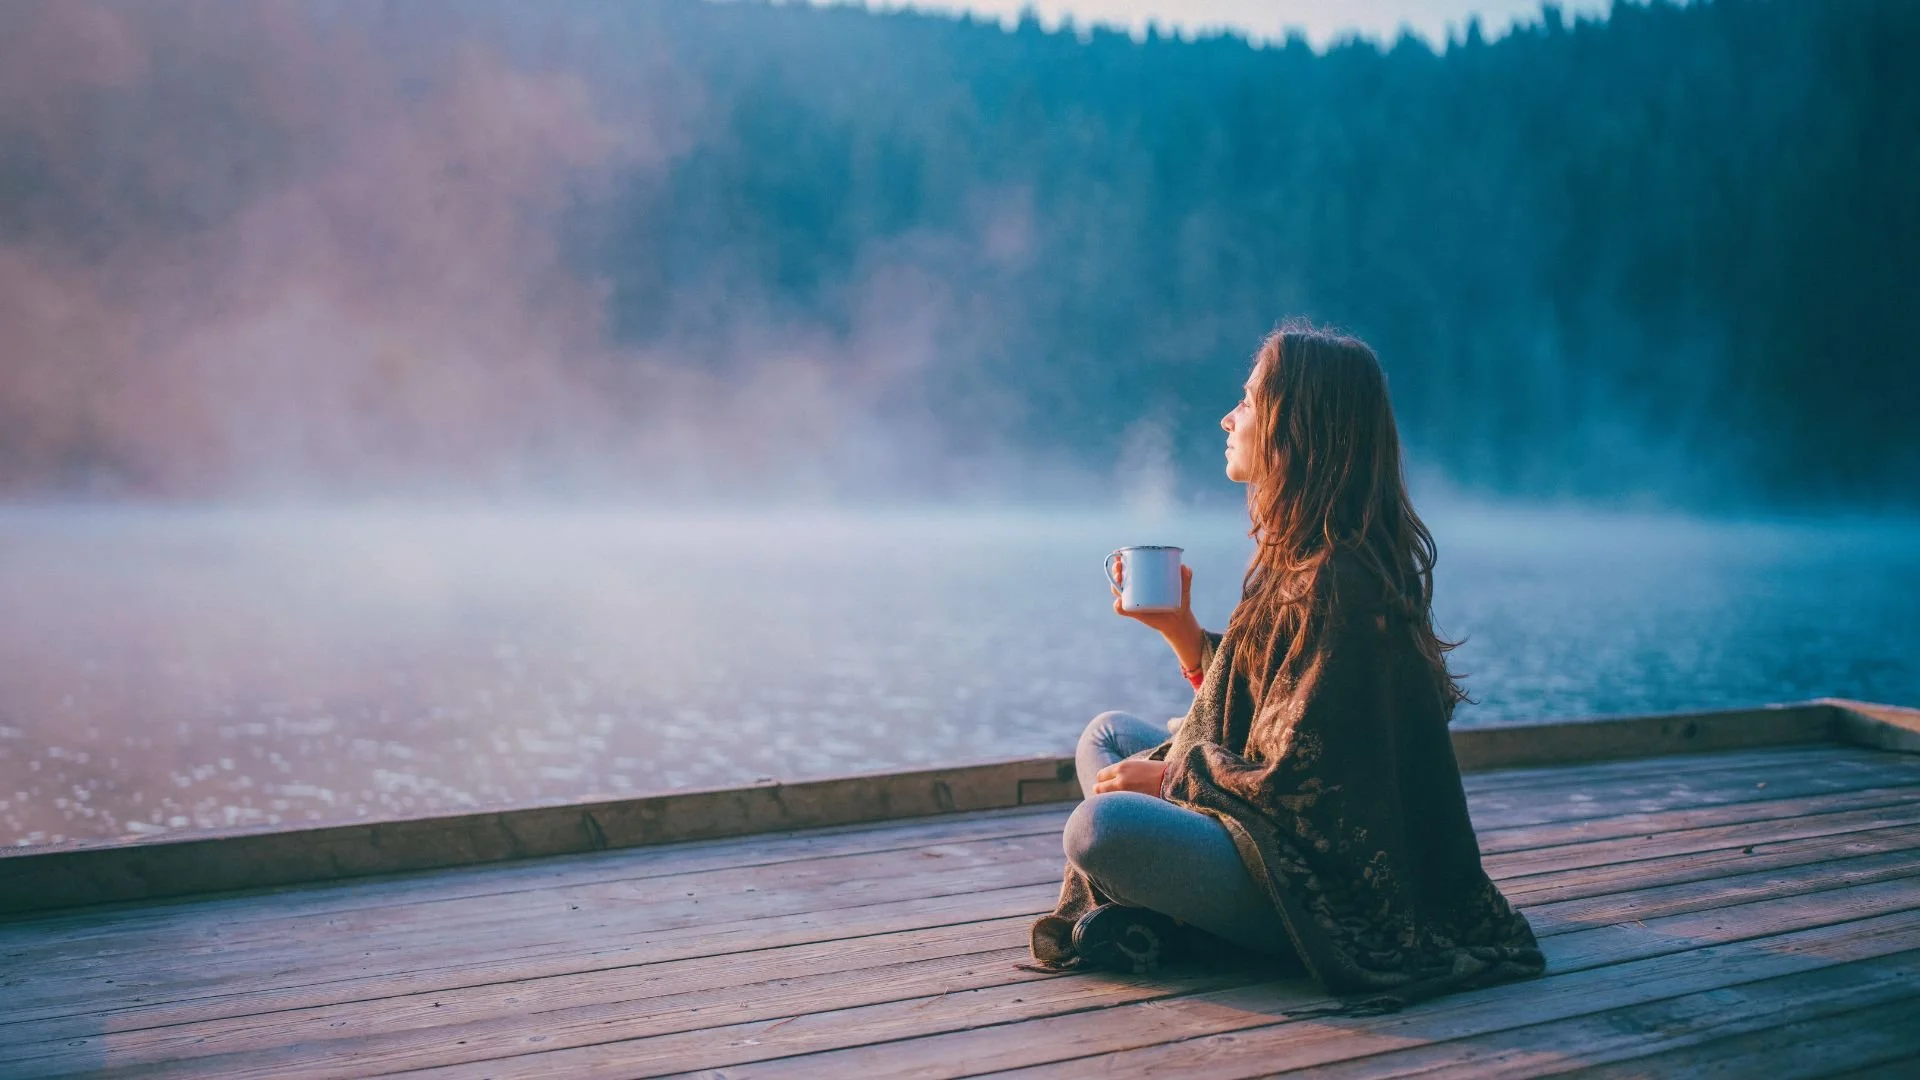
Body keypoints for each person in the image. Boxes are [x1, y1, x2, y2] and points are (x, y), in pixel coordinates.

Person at [1029, 321, 1545, 1011]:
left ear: (1294, 426)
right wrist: (1181, 631)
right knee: (1108, 737)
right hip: (1265, 833)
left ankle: (1183, 918)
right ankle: (1167, 904)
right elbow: (1263, 706)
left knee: (1100, 829)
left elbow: (1308, 787)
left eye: (1246, 401)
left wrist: (1175, 778)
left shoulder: (1340, 581)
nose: (1227, 417)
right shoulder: (1299, 555)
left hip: (1323, 891)